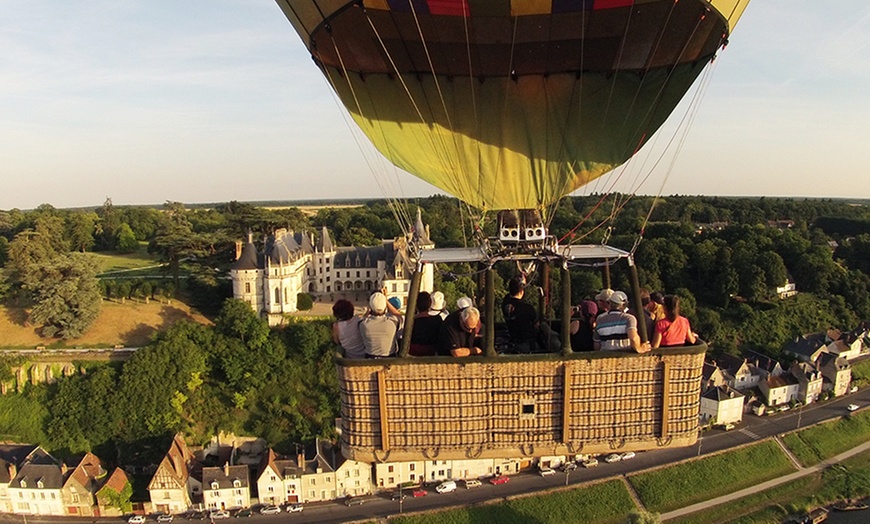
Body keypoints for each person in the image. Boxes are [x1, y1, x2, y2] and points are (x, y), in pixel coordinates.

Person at [501, 277, 559, 352]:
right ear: (522, 291)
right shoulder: (527, 308)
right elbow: (537, 325)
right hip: (528, 343)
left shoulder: (505, 304)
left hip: (514, 340)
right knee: (545, 329)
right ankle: (558, 348)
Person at [360, 292, 401, 358]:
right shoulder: (393, 322)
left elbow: (364, 317)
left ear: (370, 307)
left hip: (369, 360)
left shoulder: (363, 324)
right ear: (385, 307)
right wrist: (386, 300)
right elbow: (398, 315)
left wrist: (369, 309)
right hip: (389, 359)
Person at [408, 291, 442, 356]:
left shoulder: (410, 321)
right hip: (432, 354)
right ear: (430, 304)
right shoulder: (437, 320)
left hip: (413, 354)